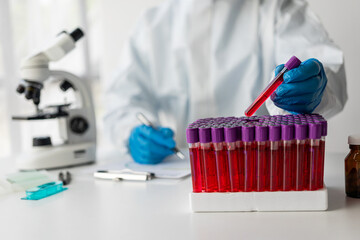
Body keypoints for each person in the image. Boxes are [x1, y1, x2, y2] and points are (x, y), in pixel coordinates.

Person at [105, 0, 347, 164]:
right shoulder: (153, 24)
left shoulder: (277, 10)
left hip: (268, 169)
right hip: (183, 174)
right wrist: (132, 132)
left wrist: (317, 88)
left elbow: (325, 67)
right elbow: (121, 100)